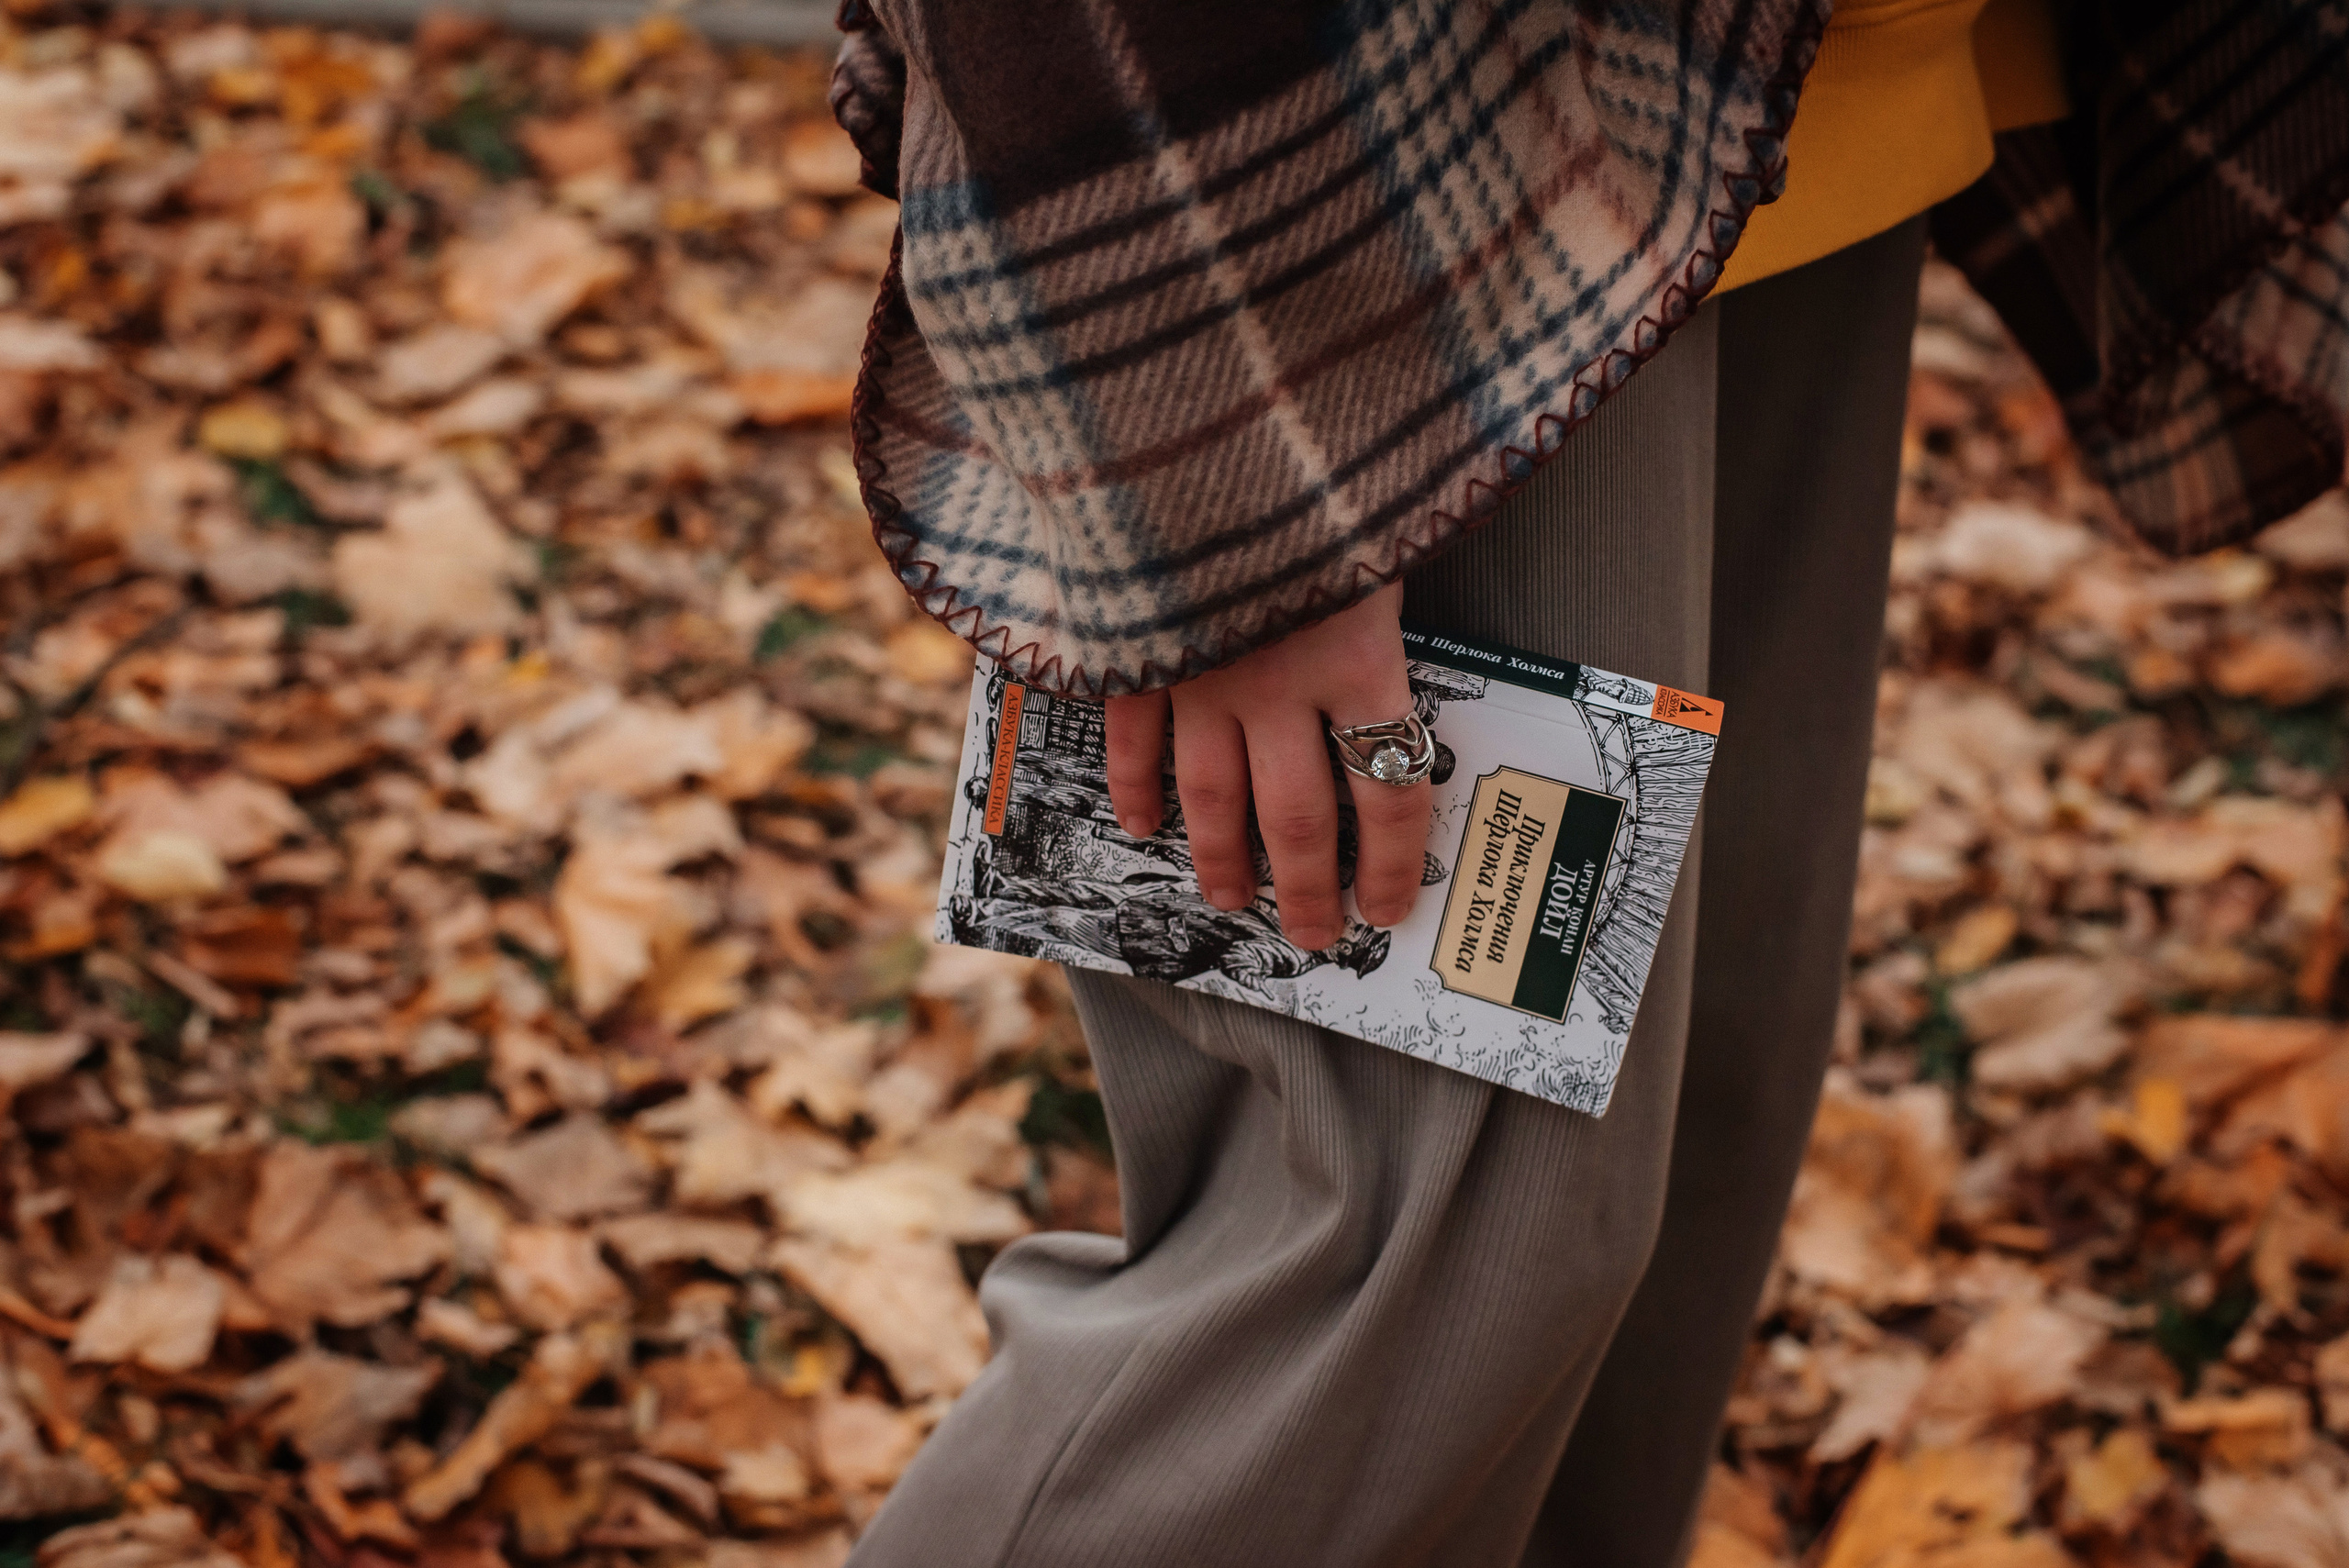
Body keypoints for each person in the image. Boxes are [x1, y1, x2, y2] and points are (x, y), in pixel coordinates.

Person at [827, 2, 2349, 1562]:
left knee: (1680, 1160)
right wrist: (1214, 441)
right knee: (1405, 1275)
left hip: (1783, 102)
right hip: (1374, 166)